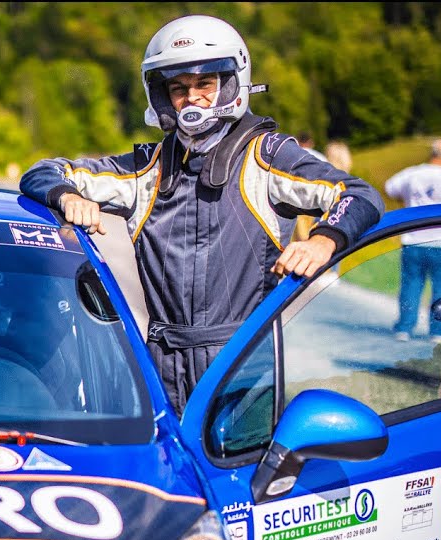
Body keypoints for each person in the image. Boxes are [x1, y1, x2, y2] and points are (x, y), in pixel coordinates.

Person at [19, 14, 384, 414]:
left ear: (231, 83)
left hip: (243, 364)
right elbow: (43, 172)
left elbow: (359, 195)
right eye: (178, 88)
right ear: (162, 96)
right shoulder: (148, 169)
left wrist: (323, 240)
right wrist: (67, 197)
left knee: (243, 456)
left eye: (204, 84)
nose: (191, 97)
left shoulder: (267, 157)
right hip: (162, 364)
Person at [384, 138, 441, 343]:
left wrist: (408, 201)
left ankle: (404, 327)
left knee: (411, 285)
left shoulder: (412, 174)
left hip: (414, 239)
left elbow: (390, 188)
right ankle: (438, 330)